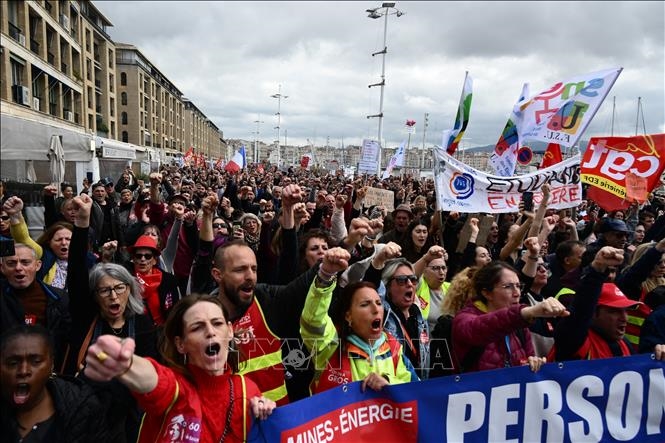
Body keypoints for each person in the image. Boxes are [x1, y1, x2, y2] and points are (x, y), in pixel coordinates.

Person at [83, 294, 276, 443]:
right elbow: (156, 380)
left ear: (230, 331)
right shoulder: (177, 387)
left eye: (217, 323)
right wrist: (126, 365)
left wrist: (268, 417)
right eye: (197, 327)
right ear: (180, 344)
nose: (210, 332)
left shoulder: (248, 389)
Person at [300, 248, 418, 394]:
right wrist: (325, 275)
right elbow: (312, 321)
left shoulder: (394, 349)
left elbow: (416, 391)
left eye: (379, 303)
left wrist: (389, 383)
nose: (376, 309)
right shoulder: (331, 348)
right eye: (365, 304)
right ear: (348, 316)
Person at [0, 324, 121, 442]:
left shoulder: (84, 408)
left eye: (35, 361)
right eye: (13, 363)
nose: (23, 371)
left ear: (51, 364)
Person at [551, 246, 665, 362]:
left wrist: (656, 355)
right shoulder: (575, 340)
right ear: (593, 313)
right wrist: (597, 268)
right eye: (614, 311)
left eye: (625, 310)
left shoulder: (624, 344)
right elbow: (580, 310)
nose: (624, 318)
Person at [452, 261, 569, 373]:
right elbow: (483, 327)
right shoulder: (464, 319)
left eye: (518, 286)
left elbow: (528, 359)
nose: (517, 293)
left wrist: (533, 364)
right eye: (508, 286)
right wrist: (526, 312)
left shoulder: (520, 326)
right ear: (486, 293)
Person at [0, 243, 71, 373]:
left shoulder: (58, 298)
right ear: (2, 268)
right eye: (11, 263)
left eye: (25, 262)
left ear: (37, 265)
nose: (18, 268)